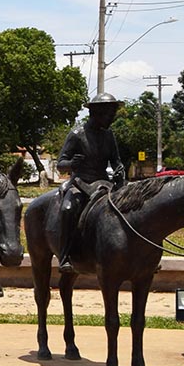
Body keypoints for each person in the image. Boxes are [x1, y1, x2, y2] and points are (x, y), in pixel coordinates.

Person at [55, 92, 126, 273]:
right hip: (80, 183)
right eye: (109, 115)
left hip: (103, 183)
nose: (111, 119)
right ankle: (65, 256)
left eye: (112, 115)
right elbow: (60, 164)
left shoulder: (109, 135)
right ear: (96, 113)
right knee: (68, 209)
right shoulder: (77, 135)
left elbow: (116, 160)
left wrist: (119, 170)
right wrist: (71, 164)